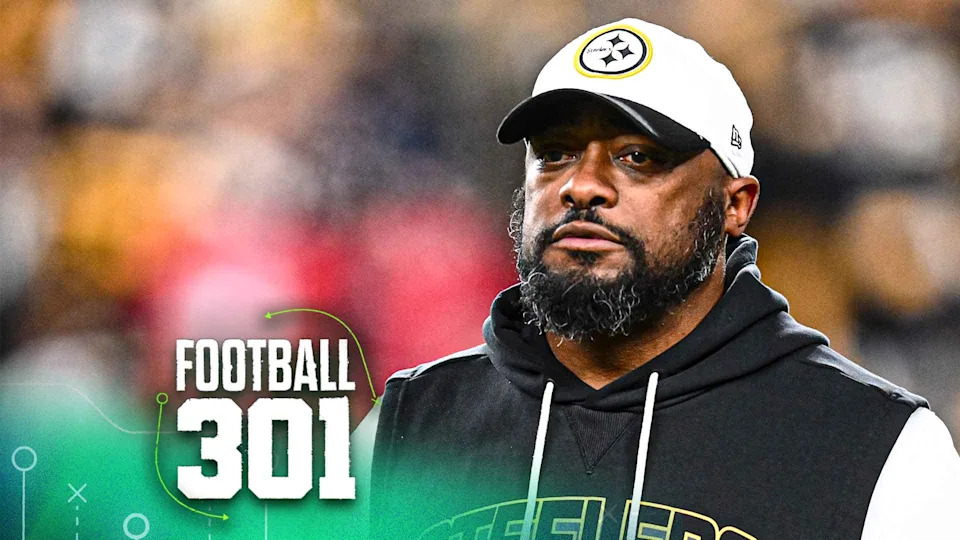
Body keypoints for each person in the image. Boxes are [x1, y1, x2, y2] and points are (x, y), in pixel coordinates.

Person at [354, 18, 960, 540]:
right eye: (555, 153)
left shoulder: (877, 448)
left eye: (637, 157)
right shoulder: (404, 427)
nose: (581, 185)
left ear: (735, 203)